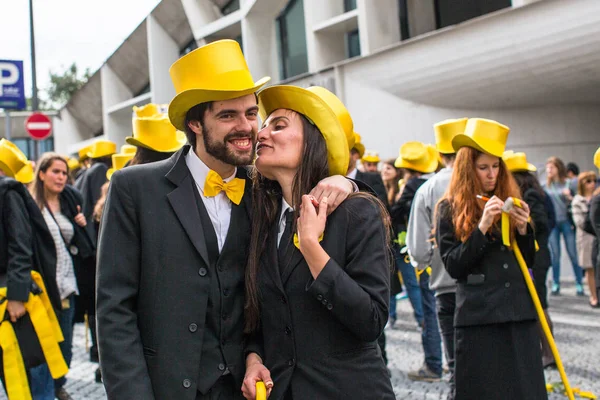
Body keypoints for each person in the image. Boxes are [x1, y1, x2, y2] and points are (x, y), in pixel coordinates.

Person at [96, 40, 355, 400]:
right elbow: (114, 309)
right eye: (227, 115)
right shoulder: (135, 188)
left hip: (244, 388)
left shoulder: (263, 188)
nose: (246, 127)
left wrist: (346, 180)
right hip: (165, 387)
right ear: (195, 123)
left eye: (251, 113)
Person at [241, 85, 395, 400]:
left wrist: (311, 247)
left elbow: (371, 320)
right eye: (265, 124)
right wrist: (253, 357)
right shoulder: (263, 220)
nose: (262, 133)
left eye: (279, 126)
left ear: (313, 140)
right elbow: (264, 315)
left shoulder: (356, 211)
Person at [435, 118, 547, 399]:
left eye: (496, 166)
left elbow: (529, 260)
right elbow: (454, 266)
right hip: (479, 316)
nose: (491, 174)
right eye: (483, 168)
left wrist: (523, 229)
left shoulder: (511, 199)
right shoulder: (449, 208)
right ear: (467, 169)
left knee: (525, 390)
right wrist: (482, 228)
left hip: (517, 313)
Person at [406, 118, 466, 397]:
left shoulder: (428, 189)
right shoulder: (483, 180)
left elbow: (417, 249)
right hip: (486, 286)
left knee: (457, 366)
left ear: (440, 156)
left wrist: (430, 263)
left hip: (445, 285)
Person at [0, 140, 63, 400]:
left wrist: (17, 294)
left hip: (14, 302)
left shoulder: (7, 191)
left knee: (32, 373)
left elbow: (20, 244)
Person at [29, 153, 93, 400]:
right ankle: (44, 392)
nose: (61, 177)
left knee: (65, 348)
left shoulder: (71, 202)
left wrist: (80, 224)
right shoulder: (30, 204)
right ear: (42, 173)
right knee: (43, 347)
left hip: (67, 285)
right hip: (41, 289)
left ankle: (57, 383)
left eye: (64, 173)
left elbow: (84, 248)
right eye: (55, 171)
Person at [392, 141, 442, 382]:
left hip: (424, 256)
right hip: (445, 256)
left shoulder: (412, 185)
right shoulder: (437, 181)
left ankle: (433, 364)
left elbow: (395, 213)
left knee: (429, 310)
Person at [504, 150, 556, 368]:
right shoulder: (537, 191)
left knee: (539, 304)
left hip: (537, 255)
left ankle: (549, 353)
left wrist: (522, 221)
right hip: (538, 253)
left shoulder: (530, 194)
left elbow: (543, 223)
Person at [544, 156, 583, 295]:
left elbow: (579, 200)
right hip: (553, 225)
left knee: (573, 253)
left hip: (566, 222)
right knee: (555, 255)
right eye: (547, 167)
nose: (549, 170)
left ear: (558, 168)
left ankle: (579, 283)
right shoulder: (545, 186)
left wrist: (570, 198)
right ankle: (555, 283)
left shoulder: (569, 184)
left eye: (552, 167)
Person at [572, 171, 598, 307]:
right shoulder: (578, 200)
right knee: (590, 269)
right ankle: (593, 296)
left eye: (594, 180)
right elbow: (580, 222)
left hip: (595, 237)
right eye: (588, 181)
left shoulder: (597, 196)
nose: (592, 184)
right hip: (586, 238)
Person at [346, 134, 387, 205]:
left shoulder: (373, 179)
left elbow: (381, 207)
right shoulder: (328, 180)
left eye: (345, 152)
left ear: (355, 156)